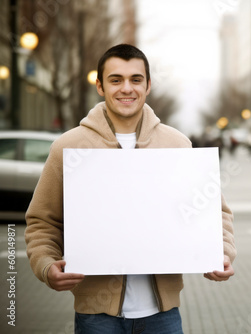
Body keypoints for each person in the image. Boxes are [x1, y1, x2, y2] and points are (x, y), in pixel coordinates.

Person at [24, 44, 236, 334]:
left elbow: (214, 213)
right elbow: (42, 221)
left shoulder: (177, 145)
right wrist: (46, 266)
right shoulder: (69, 147)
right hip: (96, 316)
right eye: (116, 80)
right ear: (100, 86)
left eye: (136, 79)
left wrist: (220, 254)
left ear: (148, 86)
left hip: (163, 316)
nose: (127, 88)